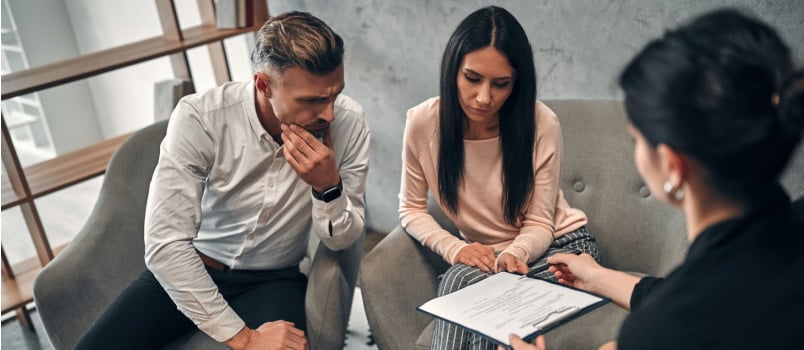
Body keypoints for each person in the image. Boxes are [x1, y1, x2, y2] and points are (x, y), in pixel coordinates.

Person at [508, 8, 804, 350]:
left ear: (672, 167)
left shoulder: (660, 329)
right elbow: (715, 295)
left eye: (637, 140)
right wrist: (598, 278)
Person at [76, 11, 370, 350]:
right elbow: (165, 245)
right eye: (313, 100)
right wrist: (246, 339)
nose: (329, 113)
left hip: (273, 279)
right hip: (194, 267)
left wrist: (327, 187)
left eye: (335, 94)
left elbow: (341, 241)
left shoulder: (350, 123)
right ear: (263, 84)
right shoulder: (201, 118)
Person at [399, 6, 599, 349]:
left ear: (517, 83)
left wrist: (516, 253)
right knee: (464, 278)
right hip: (491, 258)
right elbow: (411, 209)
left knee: (463, 283)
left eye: (501, 84)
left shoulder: (541, 123)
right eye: (472, 78)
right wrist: (455, 248)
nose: (484, 97)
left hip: (561, 250)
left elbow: (540, 222)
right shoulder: (423, 123)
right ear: (452, 71)